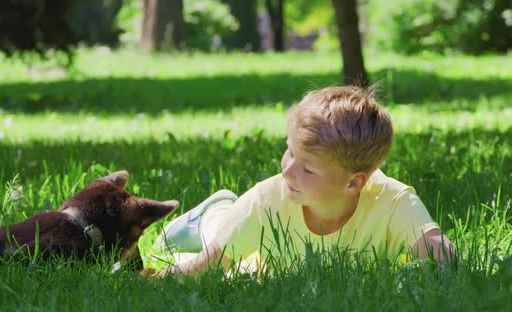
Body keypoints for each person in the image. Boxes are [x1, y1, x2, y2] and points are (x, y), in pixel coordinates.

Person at [155, 85, 455, 277]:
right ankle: (210, 214)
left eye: (308, 169)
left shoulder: (392, 201)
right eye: (290, 151)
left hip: (248, 235)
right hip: (249, 259)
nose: (287, 171)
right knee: (221, 240)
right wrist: (138, 277)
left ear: (354, 183)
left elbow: (445, 260)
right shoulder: (266, 201)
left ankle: (215, 213)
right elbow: (200, 270)